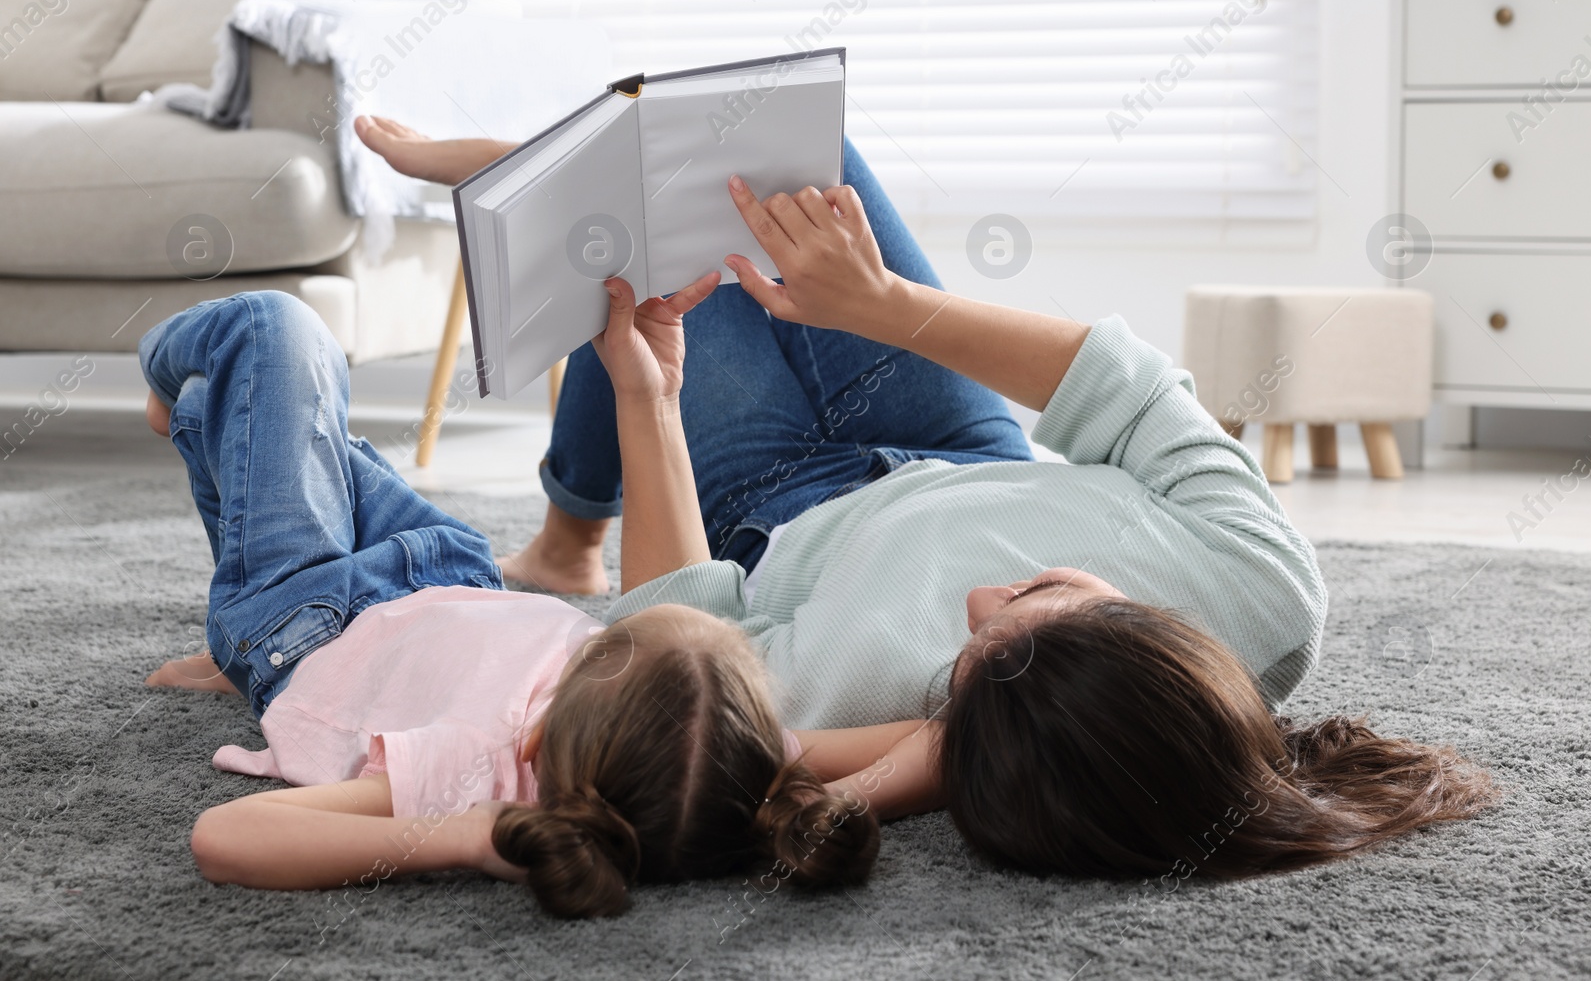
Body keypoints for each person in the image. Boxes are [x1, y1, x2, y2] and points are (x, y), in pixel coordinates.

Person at [356, 117, 1495, 878]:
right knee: (794, 150)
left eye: (964, 662)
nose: (975, 600)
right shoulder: (1262, 596)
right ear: (1151, 627)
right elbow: (1128, 386)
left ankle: (571, 488)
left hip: (778, 501)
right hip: (960, 435)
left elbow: (668, 624)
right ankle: (564, 496)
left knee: (646, 277)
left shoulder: (858, 702)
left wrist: (649, 396)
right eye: (1039, 591)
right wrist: (882, 302)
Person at [139, 287, 892, 918]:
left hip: (307, 621)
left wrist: (470, 834)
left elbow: (227, 835)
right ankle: (207, 426)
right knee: (243, 414)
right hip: (451, 569)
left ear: (535, 736)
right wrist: (807, 809)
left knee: (274, 330)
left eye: (603, 640)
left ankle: (189, 436)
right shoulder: (726, 763)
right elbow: (930, 738)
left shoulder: (473, 770)